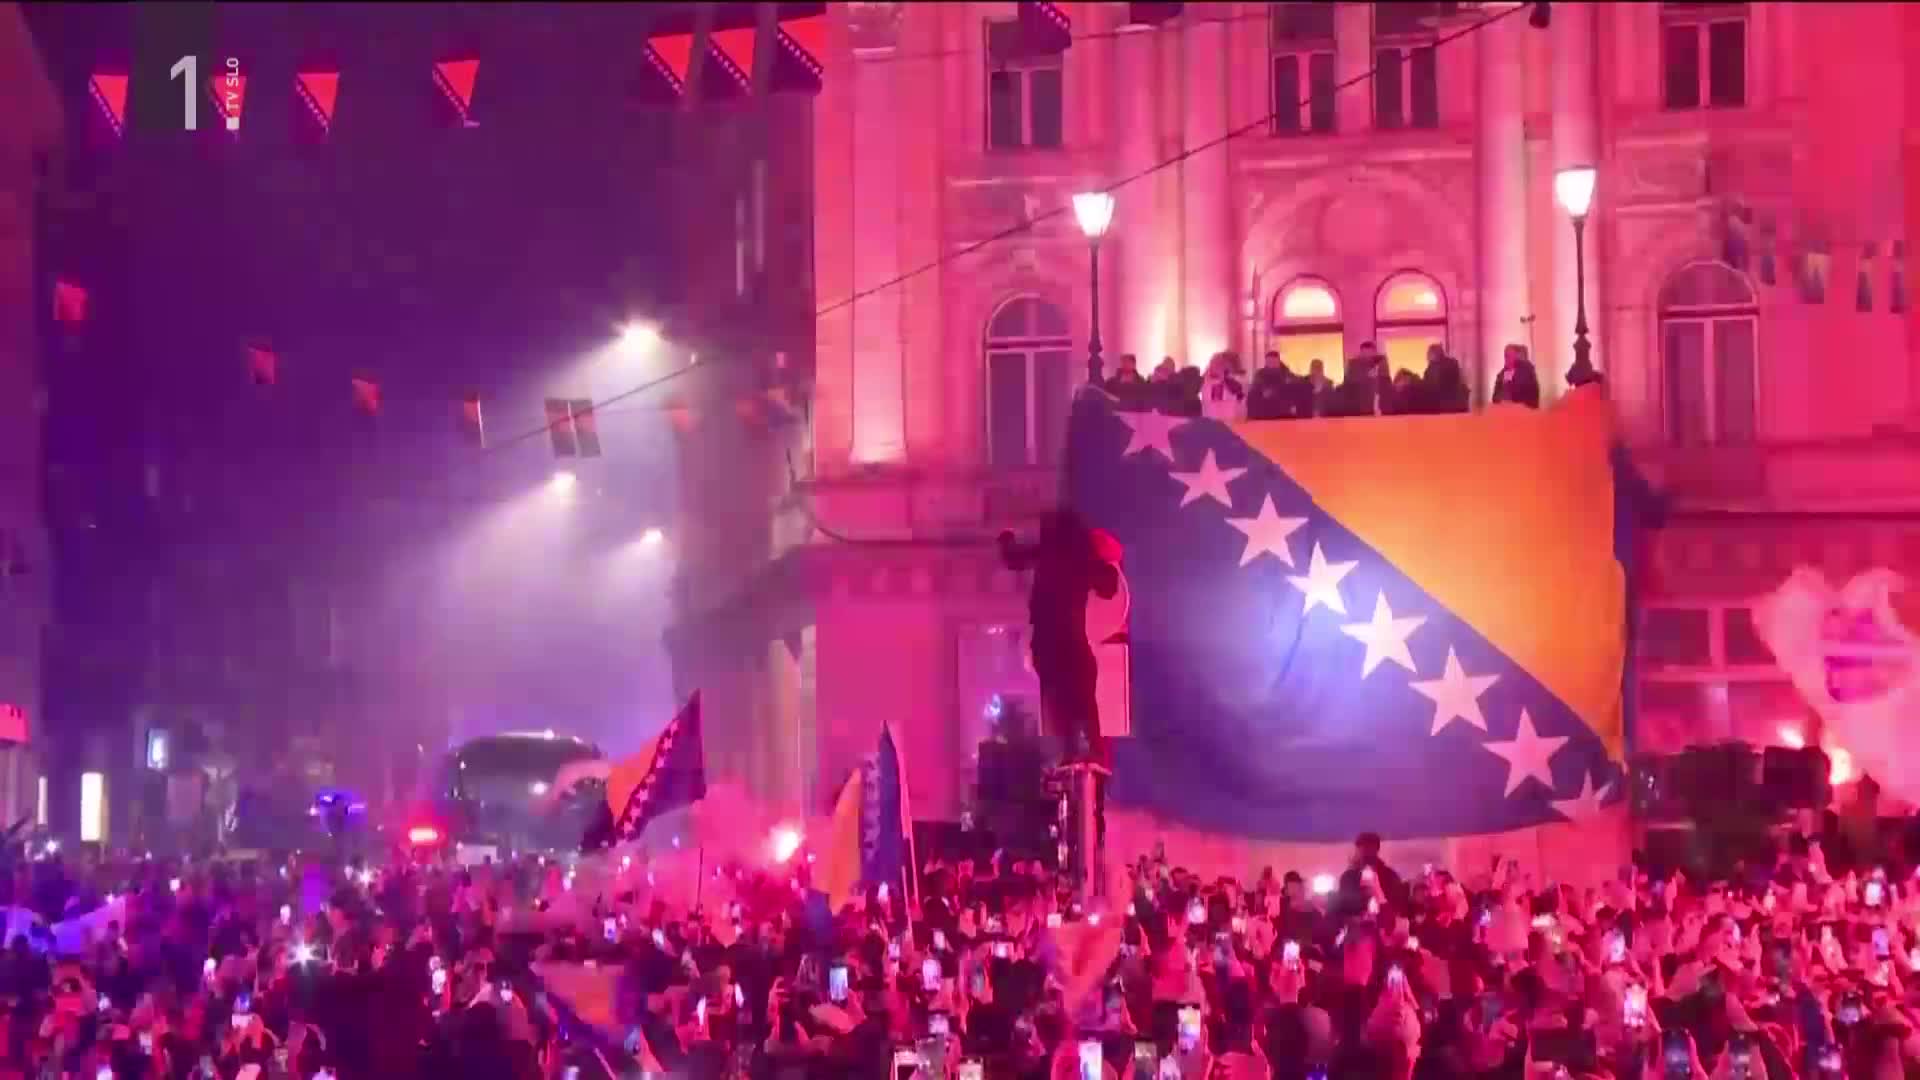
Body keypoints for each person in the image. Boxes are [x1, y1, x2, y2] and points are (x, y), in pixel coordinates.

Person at [998, 511, 1120, 768]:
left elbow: (1014, 558)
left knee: (1063, 703)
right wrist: (1106, 563)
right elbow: (1108, 586)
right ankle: (1091, 751)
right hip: (1069, 642)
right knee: (1082, 701)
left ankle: (1076, 750)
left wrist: (1006, 538)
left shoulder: (1049, 552)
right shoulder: (1079, 556)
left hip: (1050, 643)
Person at [1200, 352, 1247, 422]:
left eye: (1218, 364)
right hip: (1211, 421)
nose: (1211, 366)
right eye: (1212, 363)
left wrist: (1223, 378)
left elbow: (1238, 395)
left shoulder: (1237, 380)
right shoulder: (1207, 381)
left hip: (1231, 421)